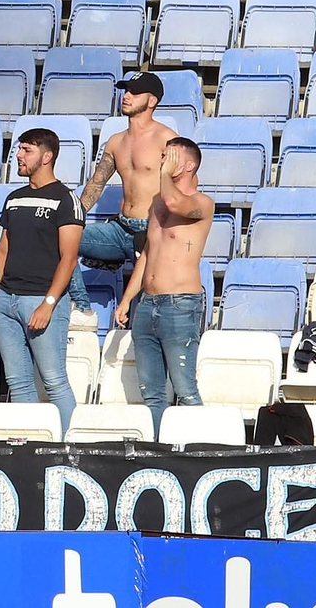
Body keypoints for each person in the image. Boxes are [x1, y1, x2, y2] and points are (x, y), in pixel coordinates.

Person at [115, 137, 213, 435]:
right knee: (152, 393)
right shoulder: (157, 203)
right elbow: (148, 253)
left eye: (169, 156)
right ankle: (157, 450)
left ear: (188, 165)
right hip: (148, 304)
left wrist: (163, 175)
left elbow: (175, 202)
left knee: (185, 389)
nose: (162, 160)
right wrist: (127, 299)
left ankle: (199, 446)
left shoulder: (201, 203)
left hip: (179, 304)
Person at [0, 128, 84, 433]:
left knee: (54, 380)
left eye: (27, 150)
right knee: (18, 383)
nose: (18, 155)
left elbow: (69, 258)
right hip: (6, 300)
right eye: (19, 149)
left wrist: (49, 303)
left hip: (42, 299)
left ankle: (72, 447)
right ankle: (29, 444)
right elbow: (2, 251)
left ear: (47, 157)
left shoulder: (66, 199)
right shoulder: (14, 198)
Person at [78, 72, 175, 269]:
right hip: (120, 226)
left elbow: (188, 183)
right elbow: (96, 184)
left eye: (135, 92)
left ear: (152, 101)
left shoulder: (165, 138)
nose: (127, 96)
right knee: (63, 237)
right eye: (126, 90)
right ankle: (79, 300)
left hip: (151, 228)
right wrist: (74, 217)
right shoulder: (116, 141)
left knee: (147, 293)